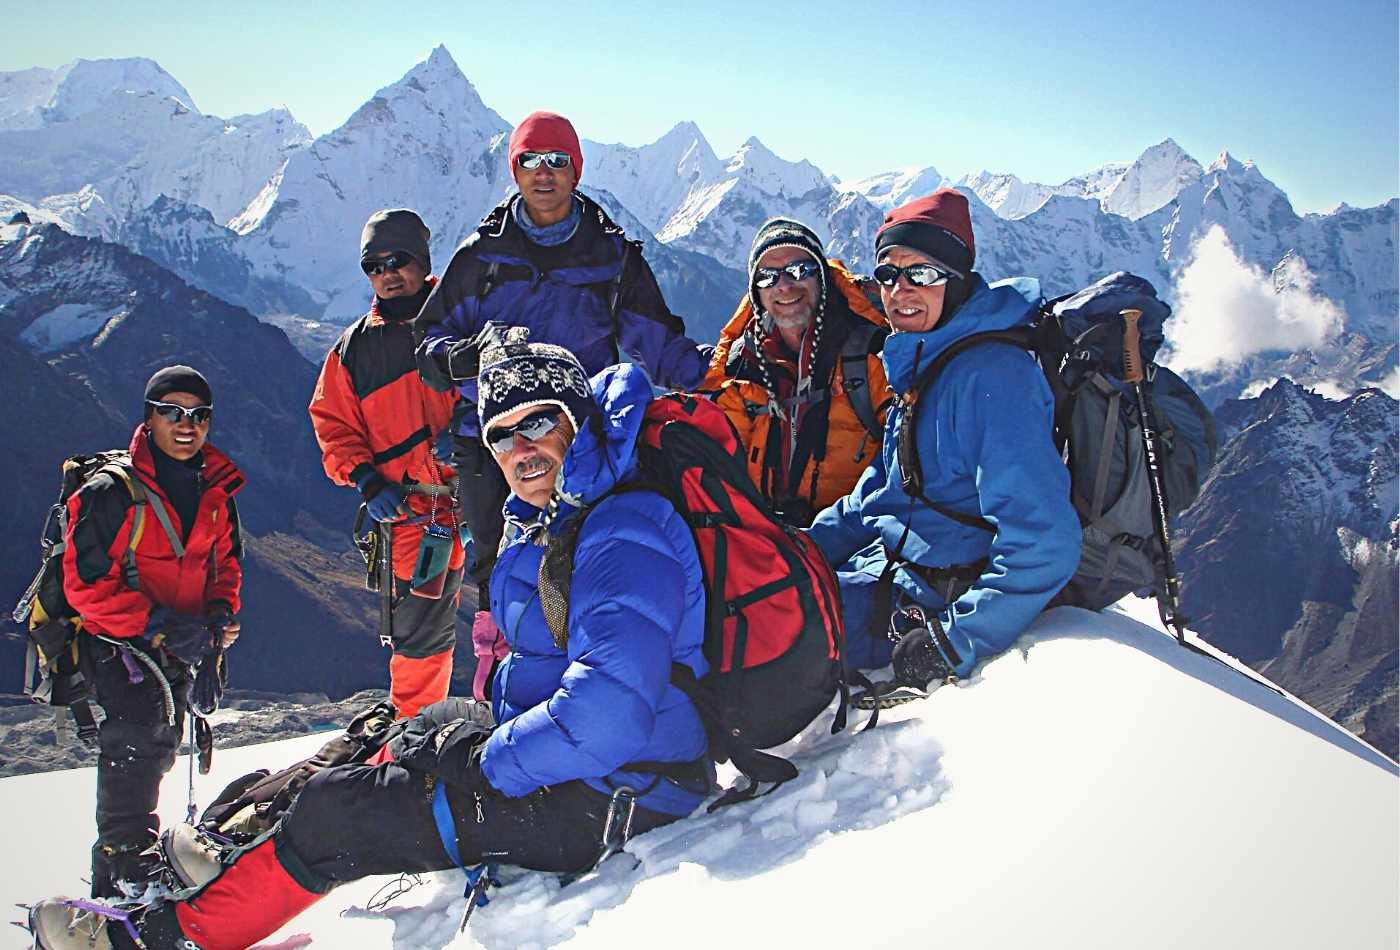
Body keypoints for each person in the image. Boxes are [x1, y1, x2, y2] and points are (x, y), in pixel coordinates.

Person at [27, 335, 711, 950]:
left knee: (336, 817)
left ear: (578, 422)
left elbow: (611, 712)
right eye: (503, 436)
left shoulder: (619, 532)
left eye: (538, 423)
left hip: (613, 796)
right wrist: (470, 740)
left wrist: (485, 762)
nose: (520, 450)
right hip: (588, 768)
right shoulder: (566, 517)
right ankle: (241, 843)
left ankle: (150, 940)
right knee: (403, 730)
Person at [413, 110, 711, 640]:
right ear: (515, 171)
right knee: (499, 563)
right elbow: (428, 346)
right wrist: (467, 359)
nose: (543, 173)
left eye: (557, 161)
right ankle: (503, 666)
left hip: (581, 438)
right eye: (530, 161)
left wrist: (714, 375)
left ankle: (581, 663)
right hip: (494, 442)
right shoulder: (481, 257)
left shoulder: (611, 256)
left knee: (585, 555)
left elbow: (654, 341)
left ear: (575, 169)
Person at [805, 188, 1081, 699]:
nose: (900, 290)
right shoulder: (924, 357)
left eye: (923, 273)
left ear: (955, 282)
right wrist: (803, 549)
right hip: (889, 571)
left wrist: (953, 641)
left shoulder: (993, 380)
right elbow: (881, 491)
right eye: (888, 274)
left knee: (755, 632)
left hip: (938, 599)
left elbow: (1045, 543)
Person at [61, 366, 243, 899]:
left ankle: (132, 868)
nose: (186, 425)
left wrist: (216, 616)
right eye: (172, 412)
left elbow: (226, 563)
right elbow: (85, 588)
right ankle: (122, 868)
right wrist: (159, 625)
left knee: (159, 740)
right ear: (149, 416)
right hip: (117, 640)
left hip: (180, 642)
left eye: (198, 415)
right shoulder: (110, 493)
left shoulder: (215, 488)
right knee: (138, 736)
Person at [308, 209, 464, 718]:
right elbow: (333, 426)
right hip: (415, 522)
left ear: (422, 261)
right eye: (373, 266)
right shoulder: (353, 352)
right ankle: (413, 747)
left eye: (398, 260)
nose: (387, 274)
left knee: (516, 616)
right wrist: (367, 478)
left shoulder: (464, 319)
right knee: (420, 642)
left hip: (489, 501)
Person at [703, 218, 893, 526]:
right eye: (767, 277)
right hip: (766, 541)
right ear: (757, 294)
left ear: (822, 278)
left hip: (856, 546)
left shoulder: (872, 357)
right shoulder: (741, 368)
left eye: (799, 270)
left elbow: (903, 465)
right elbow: (722, 467)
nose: (785, 286)